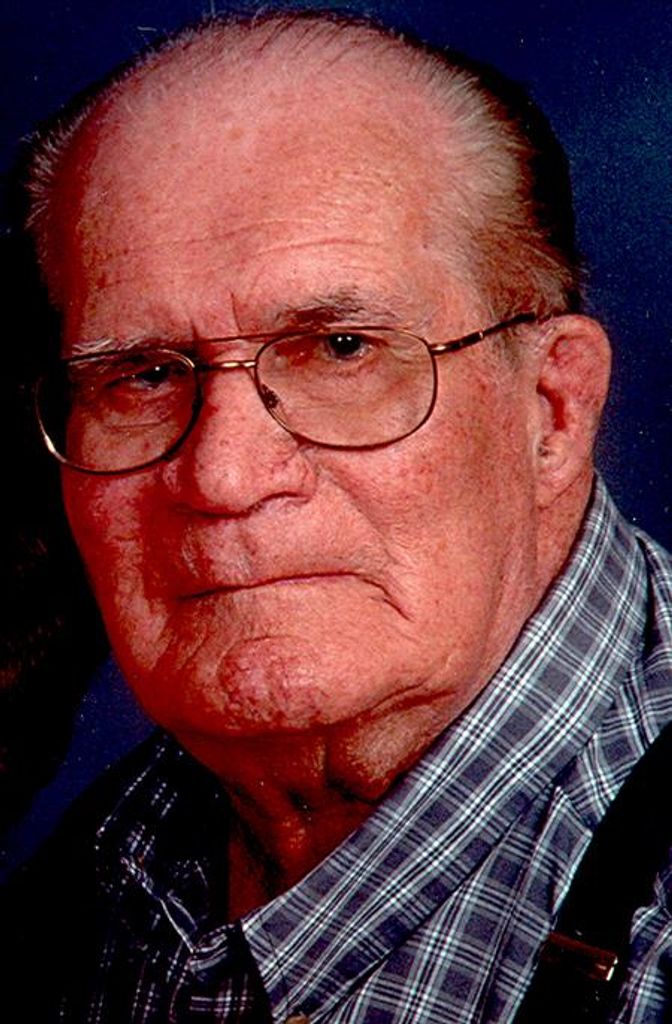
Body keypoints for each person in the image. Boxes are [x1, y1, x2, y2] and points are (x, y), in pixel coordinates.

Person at [3, 8, 672, 1022]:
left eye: (341, 351)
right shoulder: (97, 866)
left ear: (552, 410)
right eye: (143, 374)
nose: (225, 476)